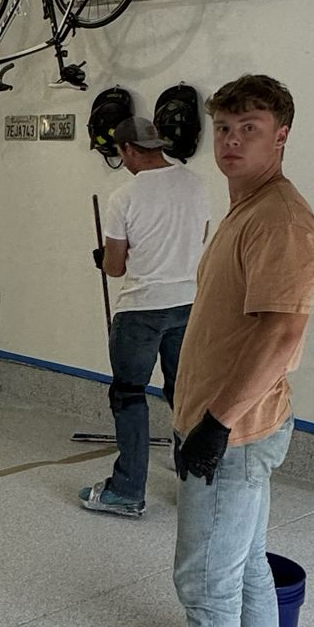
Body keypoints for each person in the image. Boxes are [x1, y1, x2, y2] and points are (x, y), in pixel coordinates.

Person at [105, 73, 314, 627]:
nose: (232, 141)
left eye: (249, 128)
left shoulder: (280, 219)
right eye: (224, 128)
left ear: (281, 135)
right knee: (245, 566)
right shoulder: (246, 209)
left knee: (205, 585)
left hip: (233, 434)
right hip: (232, 427)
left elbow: (284, 331)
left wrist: (218, 422)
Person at [80, 116, 211, 521]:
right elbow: (201, 240)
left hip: (140, 309)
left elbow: (117, 268)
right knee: (184, 396)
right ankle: (196, 492)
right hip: (189, 304)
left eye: (122, 153)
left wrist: (103, 259)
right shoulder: (196, 184)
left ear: (129, 150)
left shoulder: (124, 197)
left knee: (129, 395)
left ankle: (126, 491)